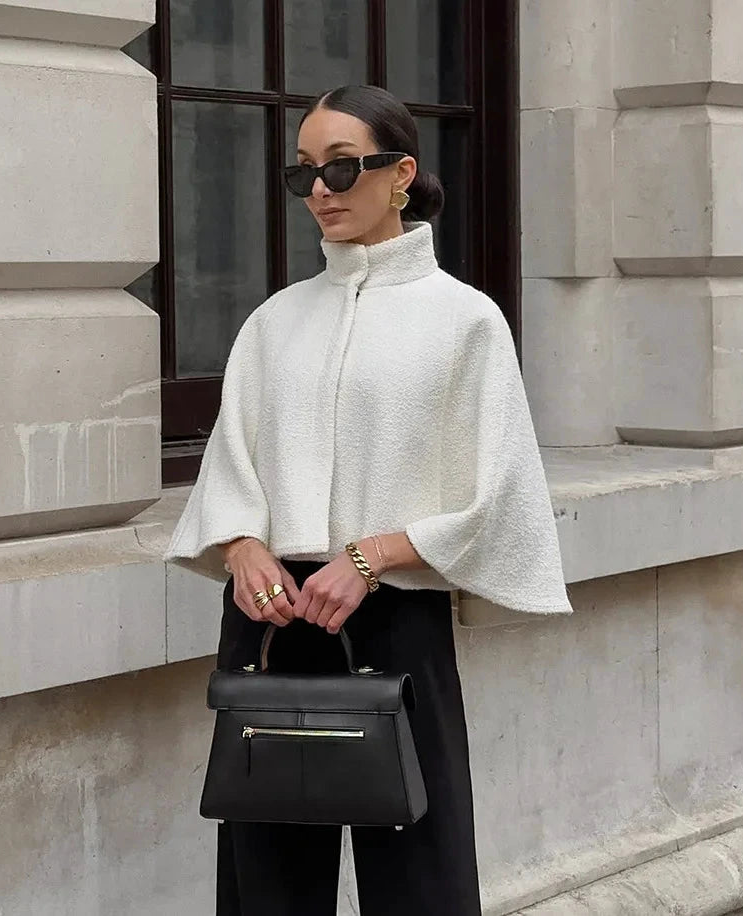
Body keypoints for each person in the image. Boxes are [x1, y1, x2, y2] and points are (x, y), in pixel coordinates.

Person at [164, 84, 574, 916]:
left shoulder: (465, 322)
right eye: (305, 173)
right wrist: (241, 544)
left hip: (393, 618)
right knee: (266, 873)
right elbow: (231, 464)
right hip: (270, 623)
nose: (321, 189)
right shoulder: (274, 322)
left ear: (401, 175)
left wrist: (370, 556)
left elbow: (500, 490)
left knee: (419, 872)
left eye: (343, 167)